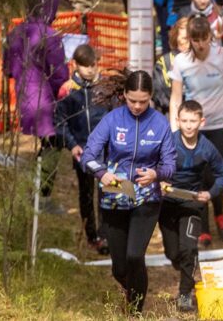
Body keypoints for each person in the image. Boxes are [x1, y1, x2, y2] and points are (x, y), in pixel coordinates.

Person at [82, 70, 176, 314]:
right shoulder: (112, 120)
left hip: (147, 199)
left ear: (151, 97)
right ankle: (133, 290)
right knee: (120, 269)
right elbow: (88, 155)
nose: (137, 106)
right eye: (132, 100)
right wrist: (102, 173)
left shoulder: (160, 123)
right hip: (114, 200)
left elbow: (170, 165)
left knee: (135, 256)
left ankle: (135, 312)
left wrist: (156, 174)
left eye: (143, 101)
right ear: (124, 94)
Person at [168, 16, 223, 244]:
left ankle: (219, 214)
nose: (201, 44)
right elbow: (175, 98)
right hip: (192, 127)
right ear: (190, 39)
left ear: (211, 37)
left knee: (216, 173)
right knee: (197, 175)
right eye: (196, 40)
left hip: (220, 124)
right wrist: (175, 130)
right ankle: (202, 225)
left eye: (204, 39)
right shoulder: (181, 61)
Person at [5, 0, 70, 211]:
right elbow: (60, 74)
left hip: (23, 95)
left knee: (46, 146)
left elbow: (7, 69)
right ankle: (41, 197)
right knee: (53, 145)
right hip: (44, 99)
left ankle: (34, 193)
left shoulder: (15, 32)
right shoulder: (50, 36)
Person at [161, 99, 223, 312]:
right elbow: (153, 166)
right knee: (173, 253)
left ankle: (185, 295)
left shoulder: (207, 147)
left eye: (193, 121)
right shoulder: (169, 142)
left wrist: (210, 193)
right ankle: (184, 266)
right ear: (177, 121)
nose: (189, 126)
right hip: (167, 204)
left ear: (202, 121)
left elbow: (222, 174)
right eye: (184, 121)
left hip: (192, 206)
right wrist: (159, 181)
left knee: (189, 249)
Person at [54, 45, 123, 253]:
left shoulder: (106, 87)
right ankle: (92, 236)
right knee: (86, 195)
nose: (91, 70)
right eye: (86, 66)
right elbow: (60, 121)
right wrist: (72, 144)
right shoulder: (67, 90)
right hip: (82, 151)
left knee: (108, 192)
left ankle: (106, 235)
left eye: (93, 65)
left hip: (107, 151)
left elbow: (117, 116)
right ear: (75, 65)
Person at [152, 17, 191, 114]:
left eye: (192, 39)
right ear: (176, 37)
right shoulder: (164, 62)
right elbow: (158, 94)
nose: (188, 43)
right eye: (185, 38)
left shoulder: (200, 61)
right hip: (171, 114)